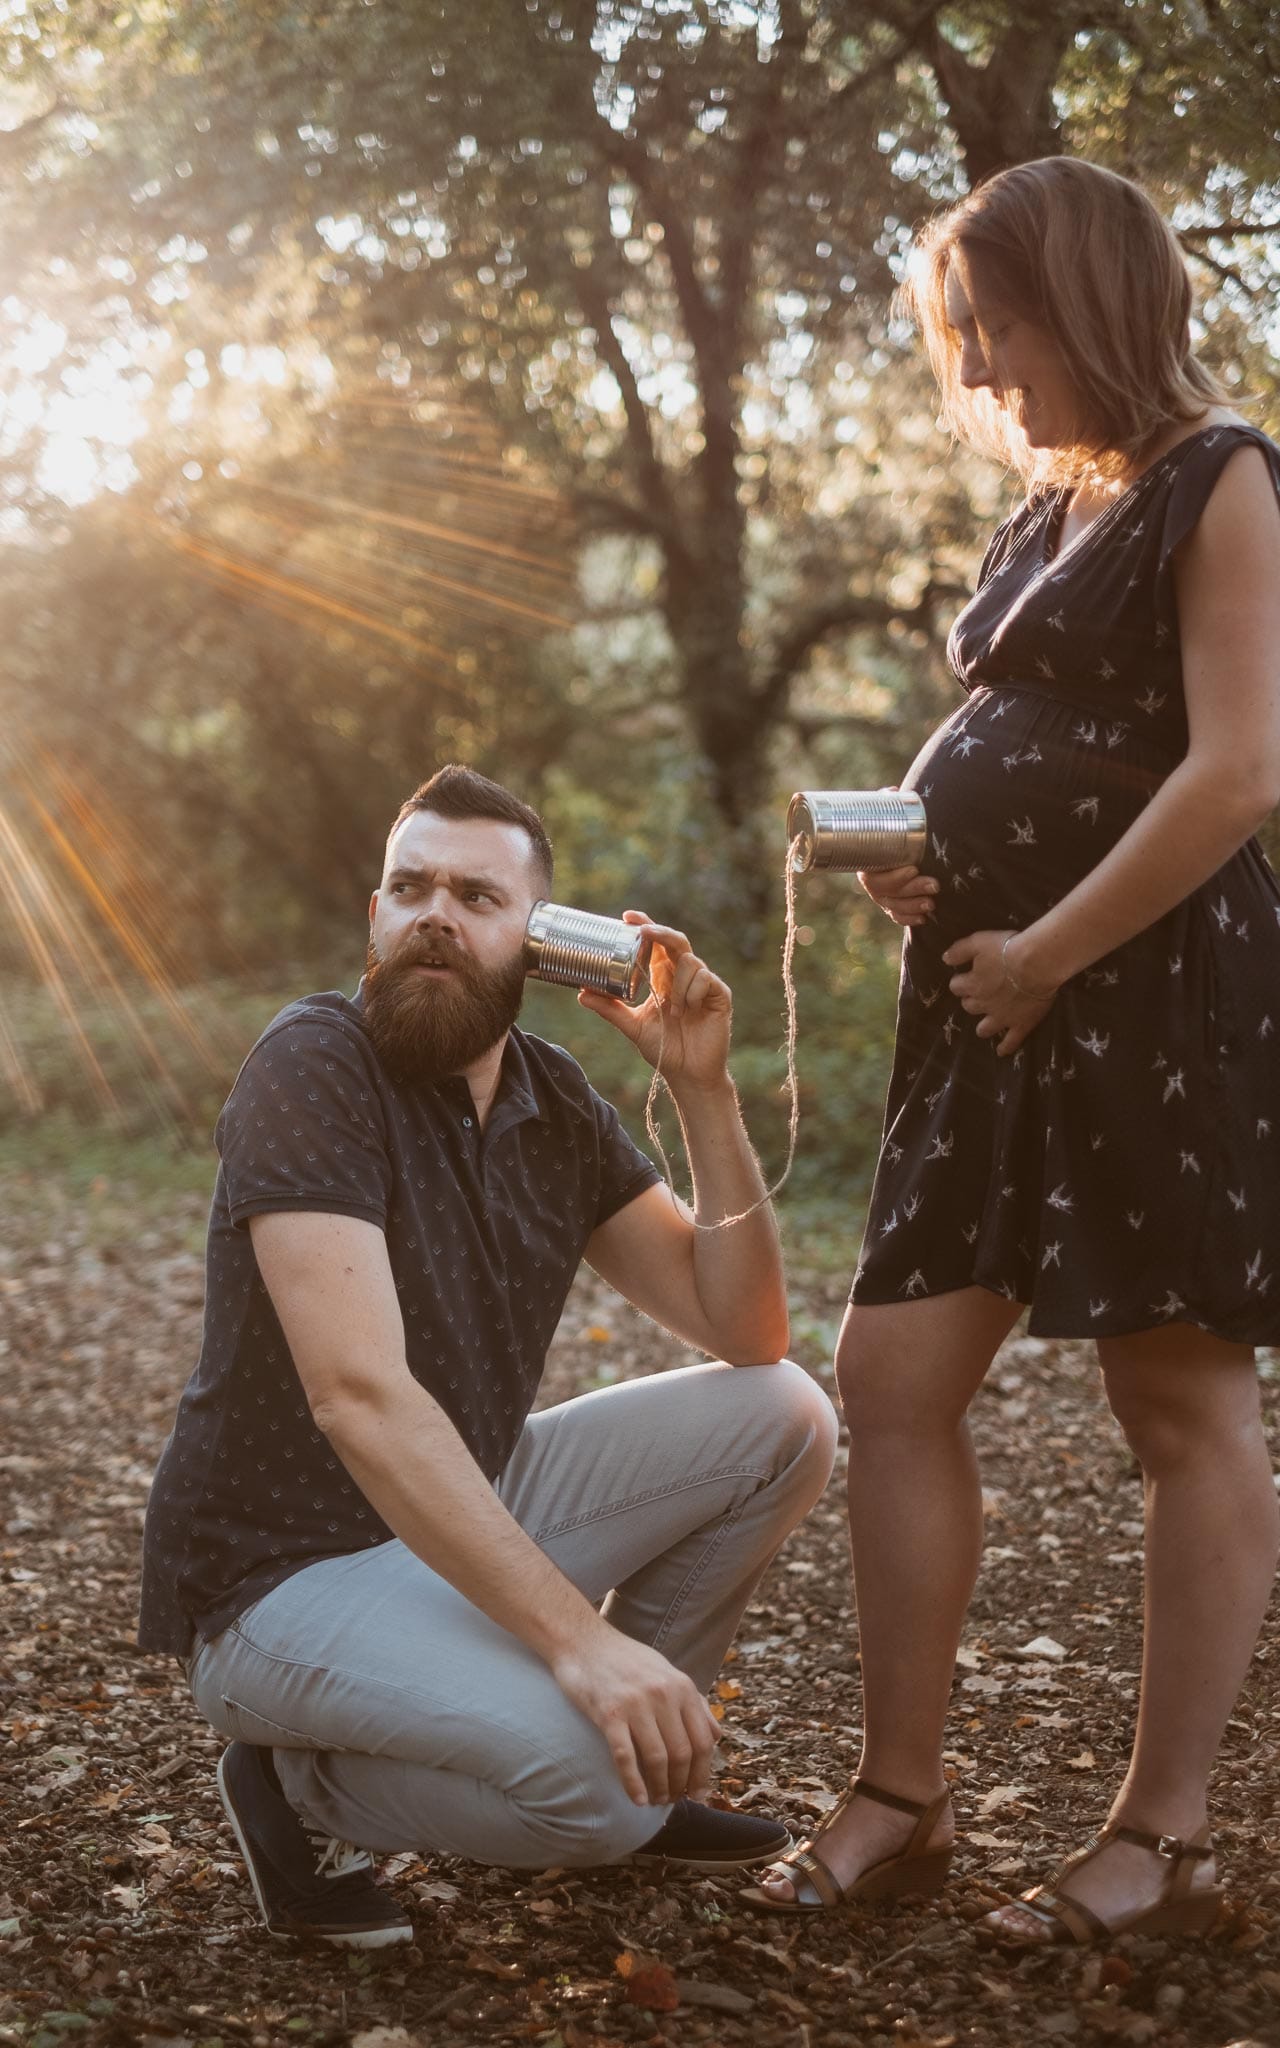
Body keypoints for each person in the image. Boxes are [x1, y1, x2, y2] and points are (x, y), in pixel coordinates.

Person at [747, 157, 1280, 1944]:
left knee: (1179, 1400)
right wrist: (932, 864)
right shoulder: (1048, 507)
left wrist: (1052, 939)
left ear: (1095, 301)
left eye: (995, 327)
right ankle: (903, 1798)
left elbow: (1240, 768)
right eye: (958, 334)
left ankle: (1161, 1840)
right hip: (992, 1003)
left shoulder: (1225, 479)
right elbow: (1034, 733)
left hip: (1146, 996)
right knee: (890, 1379)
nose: (975, 372)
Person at [138, 764, 837, 1948]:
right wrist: (580, 1640)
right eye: (408, 887)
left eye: (475, 895)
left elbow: (744, 1329)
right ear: (374, 914)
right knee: (596, 1794)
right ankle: (298, 1788)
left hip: (445, 1513)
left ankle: (637, 1761)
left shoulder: (554, 1103)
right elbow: (357, 1395)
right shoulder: (313, 1064)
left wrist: (704, 1091)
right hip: (276, 1579)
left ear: (539, 942)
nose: (434, 917)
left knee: (783, 1413)